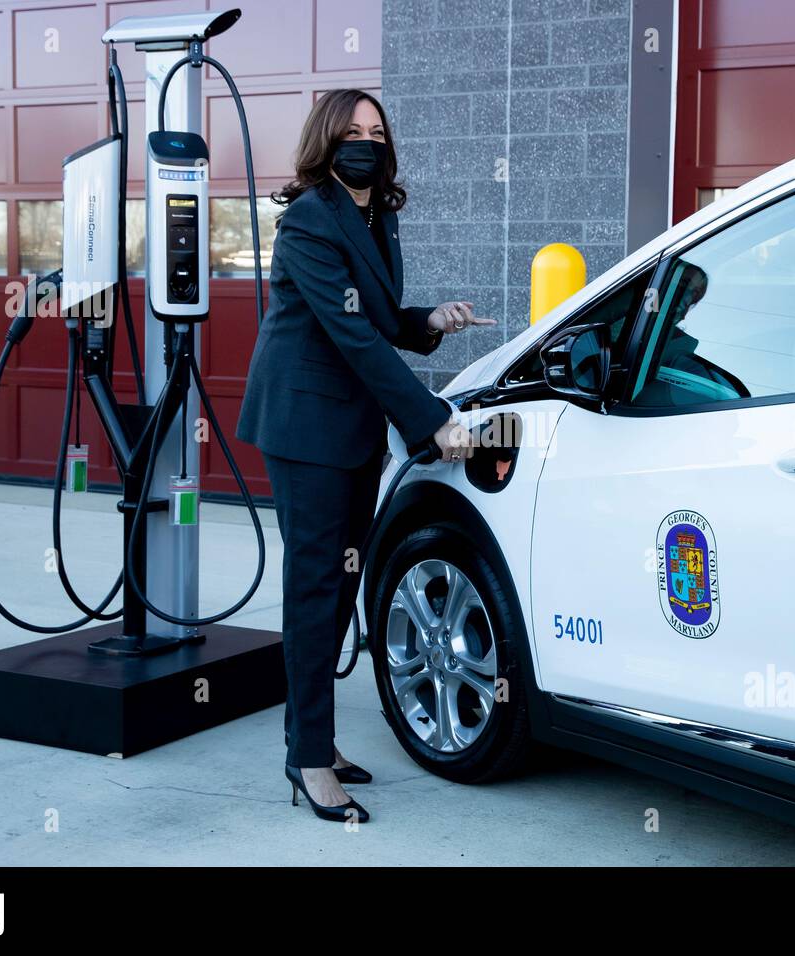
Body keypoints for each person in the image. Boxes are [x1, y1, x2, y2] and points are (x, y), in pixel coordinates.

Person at [236, 89, 494, 823]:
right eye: (352, 131)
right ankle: (309, 764)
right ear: (326, 140)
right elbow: (350, 340)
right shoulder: (310, 223)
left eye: (377, 132)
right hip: (307, 431)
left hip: (348, 430)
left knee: (340, 589)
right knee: (317, 591)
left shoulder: (377, 217)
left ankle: (312, 740)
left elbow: (372, 319)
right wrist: (431, 419)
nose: (366, 142)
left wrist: (428, 322)